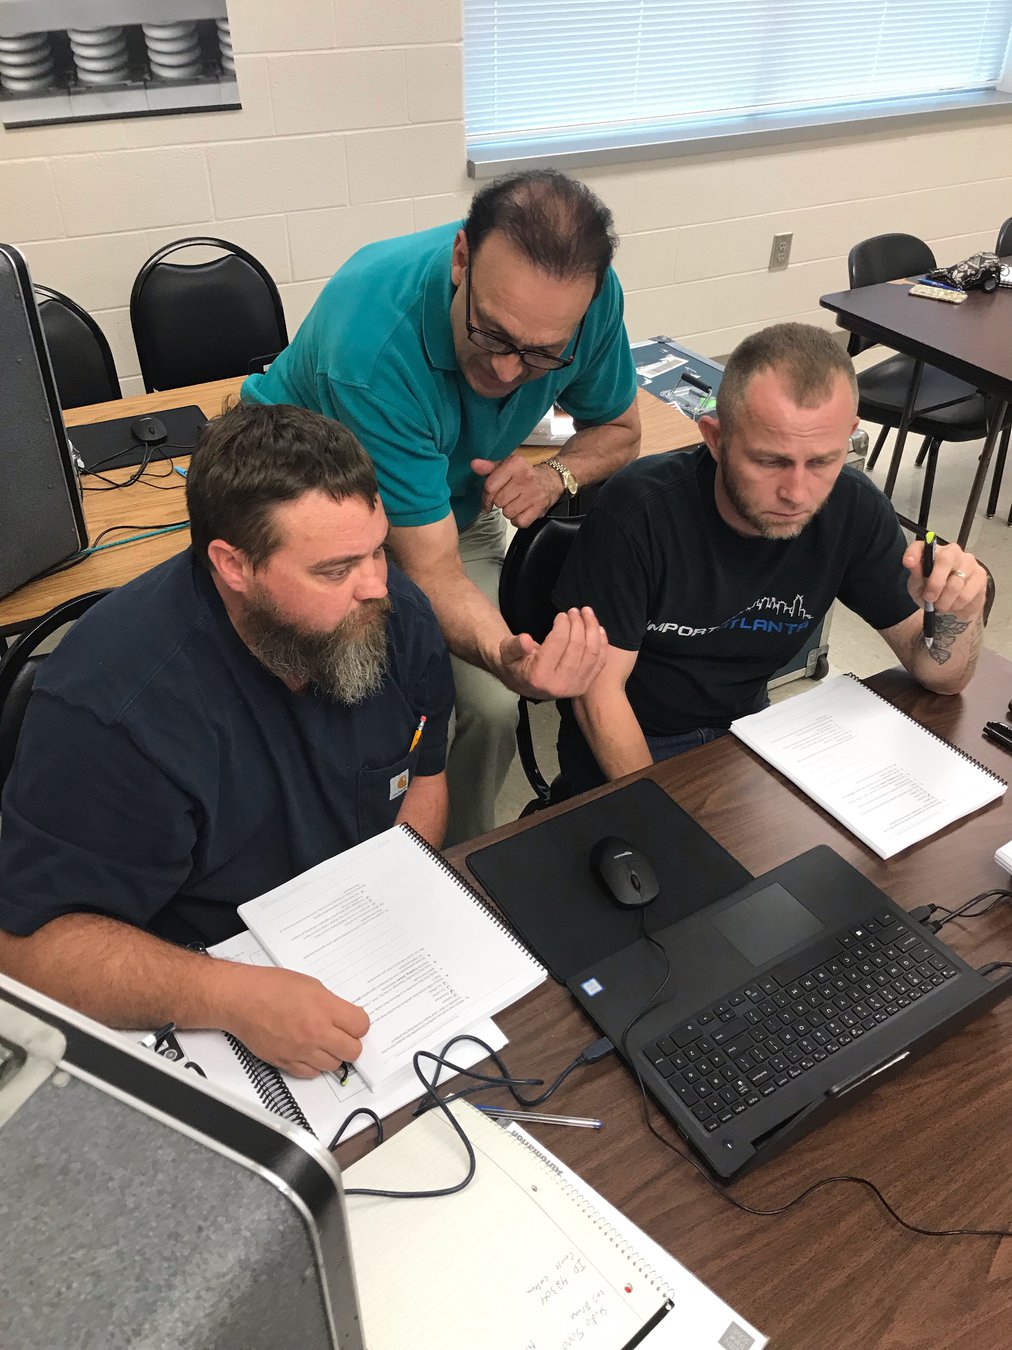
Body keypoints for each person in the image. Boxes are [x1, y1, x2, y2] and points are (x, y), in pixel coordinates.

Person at [0, 403, 455, 1077]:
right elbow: (27, 950)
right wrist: (228, 997)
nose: (377, 587)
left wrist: (390, 898)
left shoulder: (396, 620)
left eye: (378, 549)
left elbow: (425, 777)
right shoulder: (115, 710)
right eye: (335, 570)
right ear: (233, 565)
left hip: (353, 952)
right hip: (196, 987)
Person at [242, 169, 640, 841]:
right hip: (310, 509)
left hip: (447, 507)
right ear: (461, 259)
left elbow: (622, 430)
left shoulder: (586, 306)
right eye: (493, 335)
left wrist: (555, 478)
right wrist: (510, 655)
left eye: (542, 354)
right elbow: (428, 571)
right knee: (382, 717)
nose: (508, 372)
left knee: (492, 706)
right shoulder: (373, 348)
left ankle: (464, 861)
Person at [553, 322, 988, 795]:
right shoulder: (638, 513)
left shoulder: (853, 507)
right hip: (639, 738)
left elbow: (940, 678)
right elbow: (599, 696)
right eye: (770, 461)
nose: (797, 493)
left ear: (849, 436)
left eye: (821, 461)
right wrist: (663, 812)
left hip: (751, 733)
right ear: (715, 439)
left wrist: (960, 614)